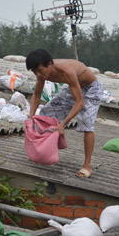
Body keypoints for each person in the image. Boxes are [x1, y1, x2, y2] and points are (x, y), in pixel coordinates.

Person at [25, 48, 104, 178]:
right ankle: (42, 151)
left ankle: (87, 166)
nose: (37, 74)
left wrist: (63, 124)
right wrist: (31, 116)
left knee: (86, 122)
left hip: (91, 89)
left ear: (49, 64)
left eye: (39, 70)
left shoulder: (66, 71)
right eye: (34, 71)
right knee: (44, 114)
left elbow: (79, 102)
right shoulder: (42, 74)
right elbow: (37, 95)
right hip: (74, 87)